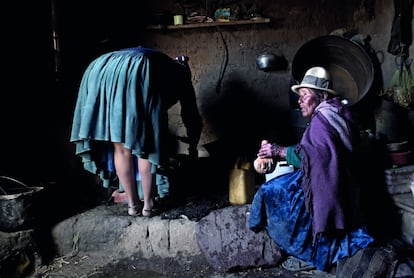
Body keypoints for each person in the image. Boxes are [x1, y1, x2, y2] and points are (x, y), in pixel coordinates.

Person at [249, 66, 374, 272]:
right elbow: (316, 151)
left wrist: (279, 151)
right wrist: (282, 151)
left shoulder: (321, 123)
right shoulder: (337, 111)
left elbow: (315, 158)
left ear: (321, 96)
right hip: (344, 181)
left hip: (332, 187)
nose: (299, 100)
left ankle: (302, 247)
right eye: (299, 95)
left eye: (305, 95)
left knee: (271, 191)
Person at [70, 47, 202, 217]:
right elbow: (190, 113)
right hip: (137, 70)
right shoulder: (181, 71)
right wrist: (193, 145)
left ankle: (132, 205)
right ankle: (148, 205)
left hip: (100, 68)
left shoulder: (162, 63)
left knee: (121, 147)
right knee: (145, 146)